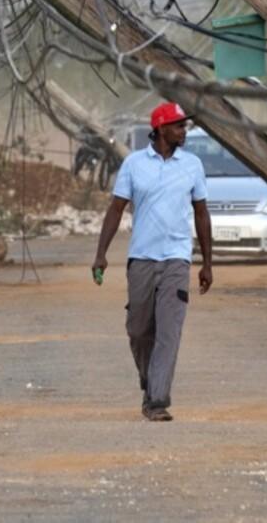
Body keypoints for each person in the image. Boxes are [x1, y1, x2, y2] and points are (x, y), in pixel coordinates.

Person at [91, 101, 212, 422]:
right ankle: (149, 379)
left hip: (177, 259)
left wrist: (207, 263)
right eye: (177, 126)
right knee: (139, 329)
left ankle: (157, 400)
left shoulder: (193, 165)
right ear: (159, 129)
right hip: (141, 258)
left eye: (184, 126)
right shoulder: (133, 164)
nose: (183, 131)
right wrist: (101, 254)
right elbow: (116, 209)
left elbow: (201, 212)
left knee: (169, 332)